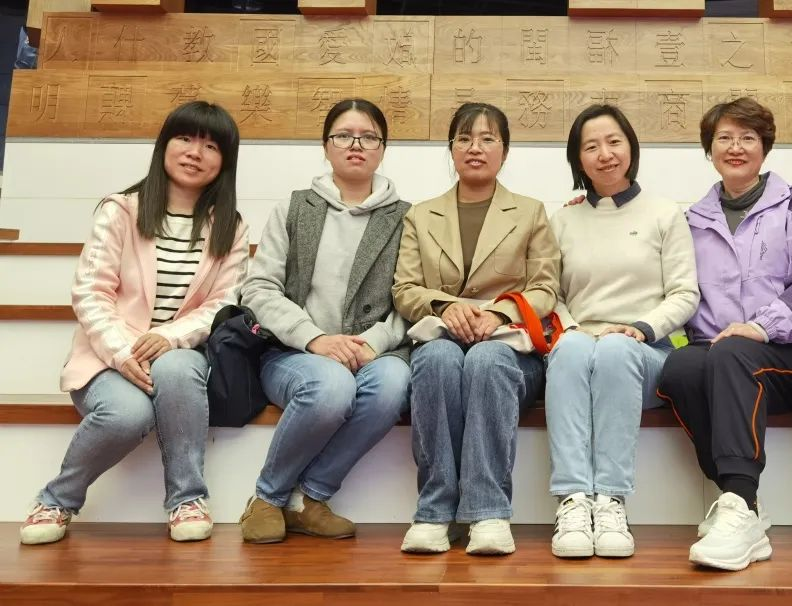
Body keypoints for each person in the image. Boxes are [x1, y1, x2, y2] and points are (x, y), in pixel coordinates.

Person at [20, 101, 249, 545]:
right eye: (185, 138)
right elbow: (91, 292)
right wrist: (124, 352)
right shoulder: (121, 210)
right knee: (127, 415)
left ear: (225, 160)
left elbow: (224, 302)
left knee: (177, 368)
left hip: (181, 355)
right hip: (107, 357)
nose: (195, 152)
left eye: (210, 145)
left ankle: (187, 499)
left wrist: (169, 336)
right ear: (164, 145)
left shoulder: (231, 226)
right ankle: (57, 499)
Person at [656, 97, 792, 570]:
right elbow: (666, 280)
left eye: (747, 138)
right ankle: (742, 506)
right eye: (725, 138)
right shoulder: (691, 220)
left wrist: (759, 326)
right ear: (709, 149)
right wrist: (595, 208)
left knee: (732, 352)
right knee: (680, 368)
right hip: (716, 352)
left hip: (786, 355)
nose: (735, 147)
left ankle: (738, 498)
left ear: (765, 147)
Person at [238, 99, 411, 544]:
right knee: (331, 387)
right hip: (293, 353)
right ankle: (267, 496)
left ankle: (308, 497)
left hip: (372, 353)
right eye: (344, 135)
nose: (356, 145)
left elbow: (409, 298)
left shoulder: (406, 218)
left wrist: (371, 343)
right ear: (326, 145)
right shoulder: (295, 208)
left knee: (393, 384)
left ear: (383, 148)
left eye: (369, 137)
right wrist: (314, 339)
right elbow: (259, 289)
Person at [393, 102, 560, 556]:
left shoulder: (530, 212)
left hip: (508, 350)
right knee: (436, 358)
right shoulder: (421, 215)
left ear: (504, 150)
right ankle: (435, 511)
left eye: (488, 139)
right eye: (464, 138)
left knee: (487, 359)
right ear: (451, 149)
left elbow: (545, 287)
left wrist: (501, 313)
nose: (475, 148)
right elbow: (405, 288)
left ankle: (488, 511)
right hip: (443, 338)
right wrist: (446, 306)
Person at [545, 104, 699, 559]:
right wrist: (573, 329)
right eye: (591, 146)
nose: (605, 154)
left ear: (631, 147)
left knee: (614, 349)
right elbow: (550, 293)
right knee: (570, 350)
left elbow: (684, 294)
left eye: (614, 142)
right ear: (578, 158)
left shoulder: (665, 214)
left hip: (645, 351)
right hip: (580, 348)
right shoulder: (563, 220)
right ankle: (573, 500)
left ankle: (611, 500)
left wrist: (640, 329)